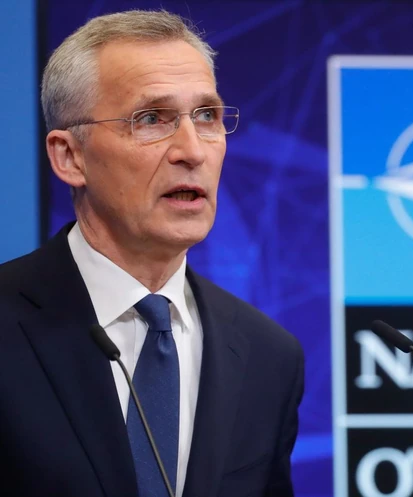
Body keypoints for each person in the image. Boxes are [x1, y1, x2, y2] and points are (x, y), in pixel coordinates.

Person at [0, 9, 304, 497]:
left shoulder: (269, 356)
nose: (193, 151)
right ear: (70, 156)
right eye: (151, 119)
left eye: (206, 116)